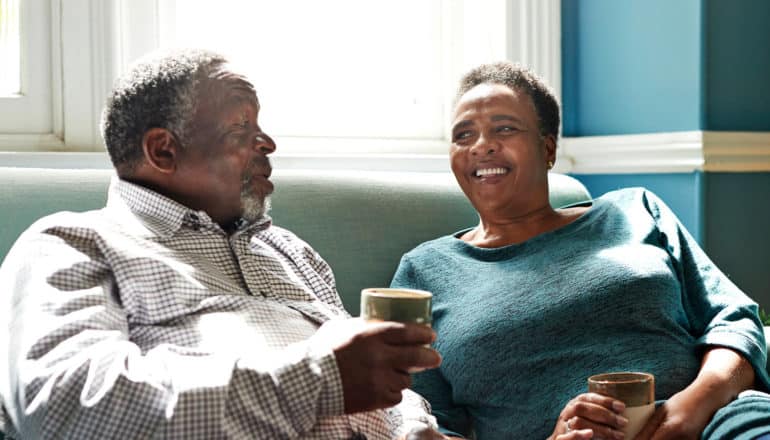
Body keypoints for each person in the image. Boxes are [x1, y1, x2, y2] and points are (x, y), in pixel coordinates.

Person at [0, 48, 445, 439]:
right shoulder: (73, 244)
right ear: (163, 151)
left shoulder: (290, 251)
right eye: (241, 128)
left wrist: (414, 426)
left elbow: (367, 374)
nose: (267, 143)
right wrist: (319, 379)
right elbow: (62, 406)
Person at [390, 61, 770, 440]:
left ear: (548, 149)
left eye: (504, 128)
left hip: (718, 424)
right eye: (463, 135)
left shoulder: (635, 211)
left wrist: (692, 407)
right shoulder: (424, 273)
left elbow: (733, 319)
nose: (482, 145)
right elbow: (423, 425)